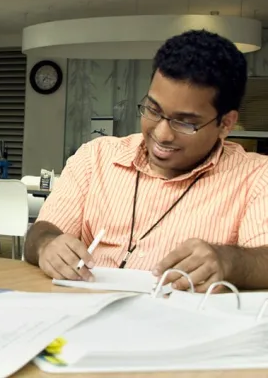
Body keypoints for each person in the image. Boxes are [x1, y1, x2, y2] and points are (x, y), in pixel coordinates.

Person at [25, 29, 268, 292]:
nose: (162, 134)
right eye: (153, 110)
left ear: (226, 123)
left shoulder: (255, 177)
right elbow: (40, 234)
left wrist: (230, 261)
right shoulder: (94, 158)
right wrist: (47, 245)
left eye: (186, 123)